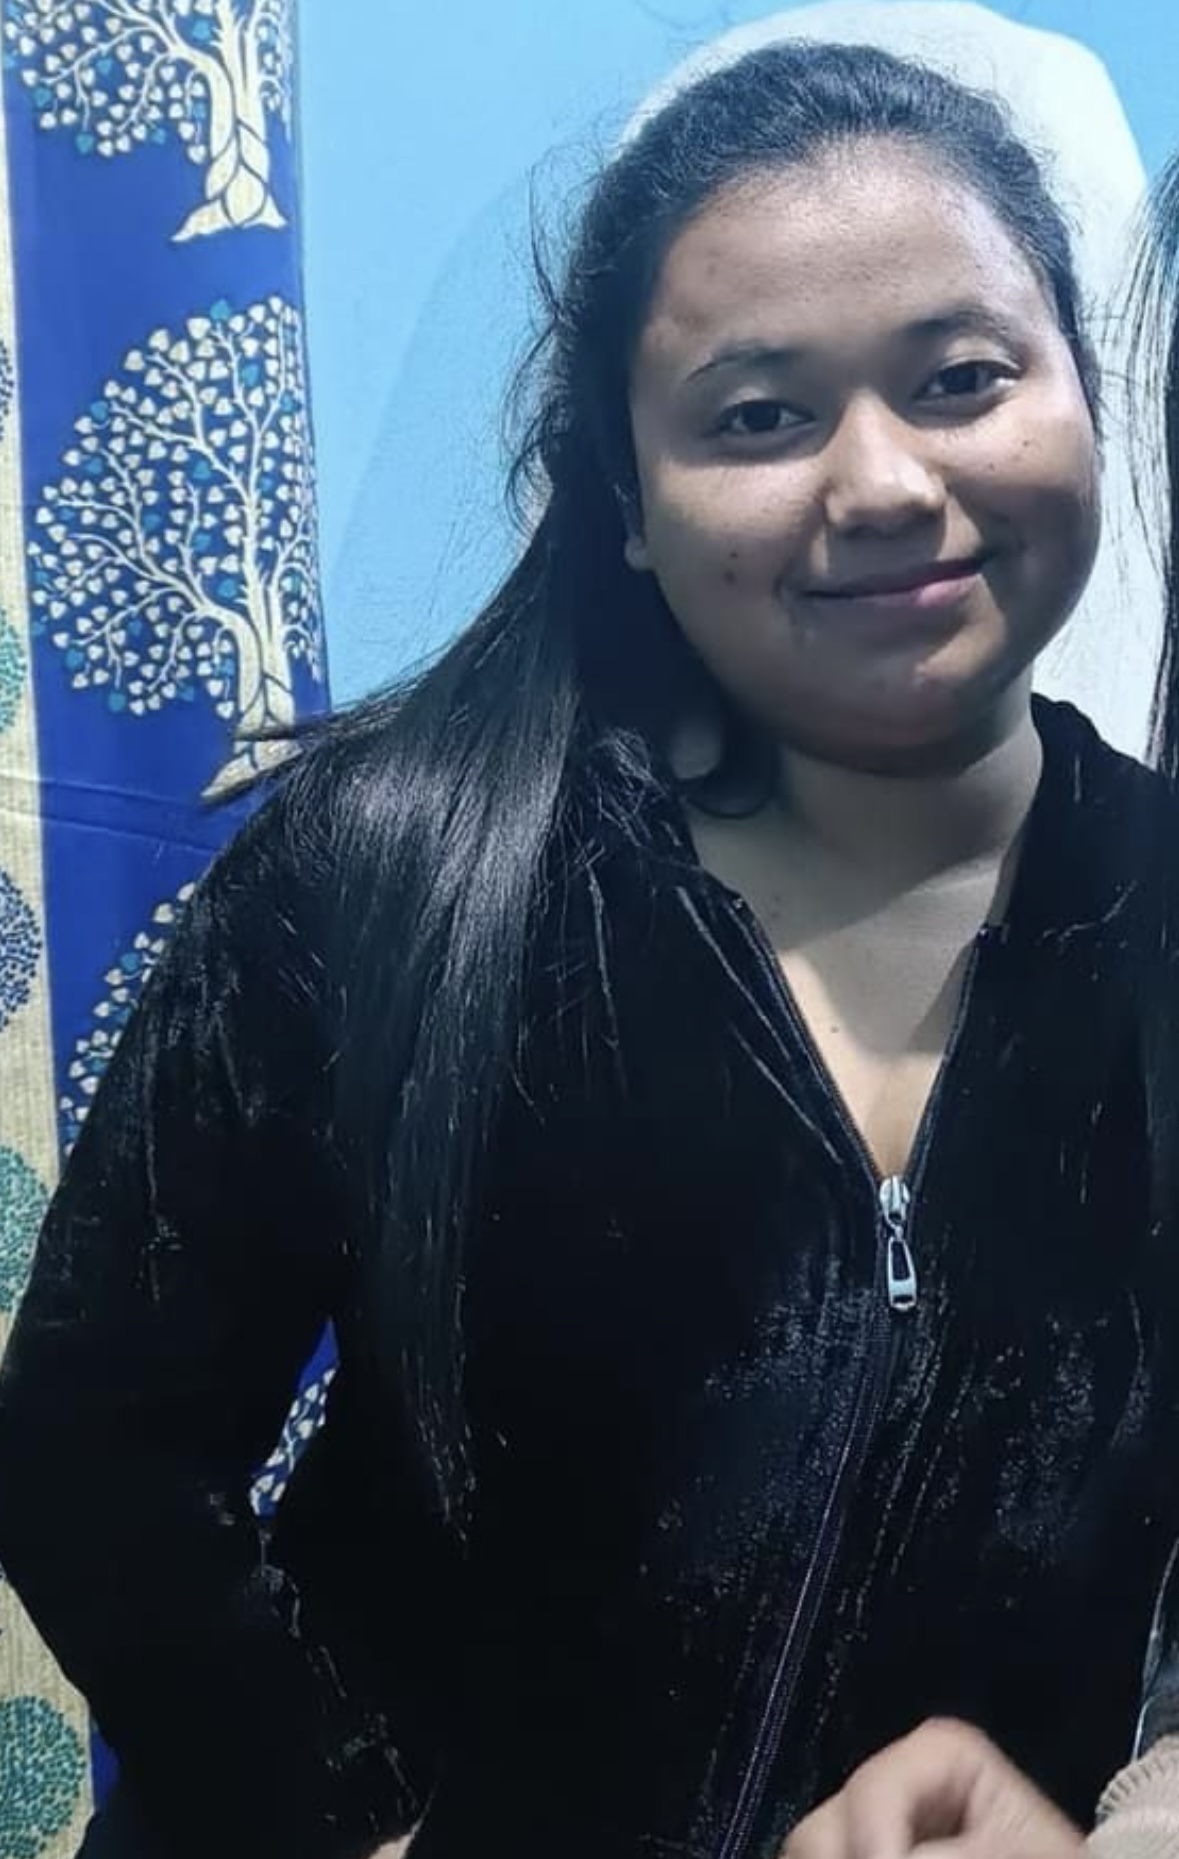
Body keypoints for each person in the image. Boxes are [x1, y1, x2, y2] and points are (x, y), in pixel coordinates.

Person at [2, 39, 1179, 1859]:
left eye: (962, 380)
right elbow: (94, 1446)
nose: (882, 482)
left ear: (1080, 400)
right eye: (760, 417)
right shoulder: (399, 871)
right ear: (625, 501)